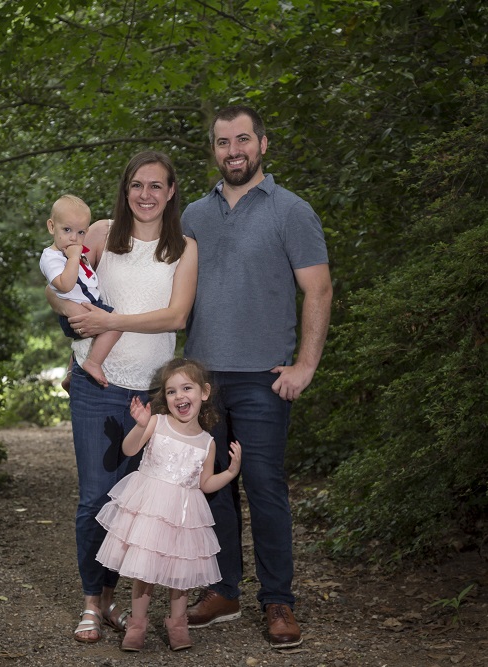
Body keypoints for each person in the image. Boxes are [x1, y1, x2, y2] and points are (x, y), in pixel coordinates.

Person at [181, 105, 333, 649]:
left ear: (263, 144)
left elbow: (318, 289)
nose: (233, 151)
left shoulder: (291, 211)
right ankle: (223, 590)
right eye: (223, 143)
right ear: (214, 151)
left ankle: (279, 601)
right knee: (212, 490)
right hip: (202, 382)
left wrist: (306, 366)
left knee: (265, 488)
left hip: (264, 379)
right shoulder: (193, 215)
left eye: (242, 140)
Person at [45, 151, 198, 644]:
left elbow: (175, 317)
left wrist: (110, 321)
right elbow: (59, 281)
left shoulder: (185, 249)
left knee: (139, 505)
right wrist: (70, 324)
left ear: (171, 191)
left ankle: (124, 600)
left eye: (156, 186)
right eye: (137, 185)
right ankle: (94, 602)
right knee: (94, 498)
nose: (146, 195)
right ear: (125, 189)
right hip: (97, 385)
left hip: (154, 394)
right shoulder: (100, 234)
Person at [95, 358, 242, 652]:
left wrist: (230, 473)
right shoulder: (157, 423)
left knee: (181, 575)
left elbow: (204, 483)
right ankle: (137, 625)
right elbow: (129, 449)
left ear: (204, 392)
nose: (179, 397)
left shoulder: (207, 442)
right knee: (144, 572)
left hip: (184, 514)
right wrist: (139, 425)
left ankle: (177, 625)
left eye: (186, 388)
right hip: (150, 507)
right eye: (171, 391)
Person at [40, 194, 121, 388]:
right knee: (116, 324)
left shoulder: (71, 253)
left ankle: (72, 374)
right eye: (67, 230)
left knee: (109, 325)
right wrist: (74, 258)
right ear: (52, 227)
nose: (74, 238)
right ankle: (92, 363)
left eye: (81, 232)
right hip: (77, 311)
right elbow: (64, 285)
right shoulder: (51, 257)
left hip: (89, 304)